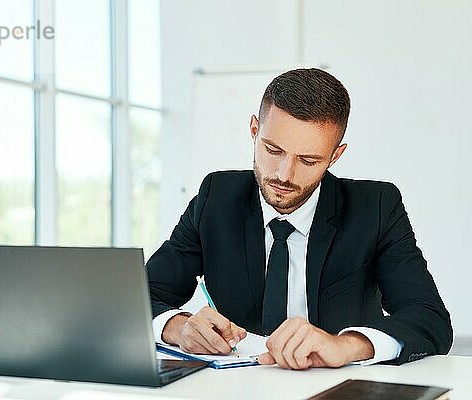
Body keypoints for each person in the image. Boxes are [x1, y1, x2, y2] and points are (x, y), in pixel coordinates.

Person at [146, 68, 452, 370]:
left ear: (335, 156)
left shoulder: (376, 208)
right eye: (272, 150)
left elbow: (429, 318)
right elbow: (142, 296)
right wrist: (179, 326)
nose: (284, 175)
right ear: (254, 131)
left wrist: (344, 345)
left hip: (335, 389)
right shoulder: (217, 198)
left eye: (308, 160)